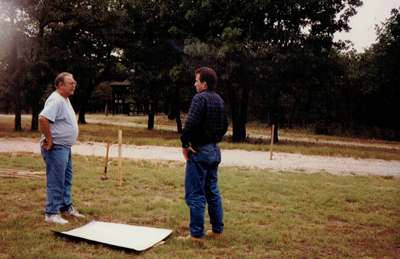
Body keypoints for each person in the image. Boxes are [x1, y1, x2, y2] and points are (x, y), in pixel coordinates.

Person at [179, 67, 229, 242]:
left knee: (195, 193)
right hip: (214, 151)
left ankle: (196, 235)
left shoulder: (199, 99)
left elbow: (190, 124)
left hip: (199, 151)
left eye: (197, 80)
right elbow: (225, 125)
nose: (195, 84)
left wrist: (185, 144)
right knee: (212, 192)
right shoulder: (219, 100)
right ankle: (217, 231)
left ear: (204, 83)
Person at [39, 72, 84, 224]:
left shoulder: (64, 99)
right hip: (56, 148)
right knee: (56, 180)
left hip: (64, 148)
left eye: (74, 82)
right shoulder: (56, 99)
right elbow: (42, 118)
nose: (74, 84)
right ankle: (51, 214)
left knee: (65, 179)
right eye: (70, 82)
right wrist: (49, 139)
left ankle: (65, 208)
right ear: (60, 85)